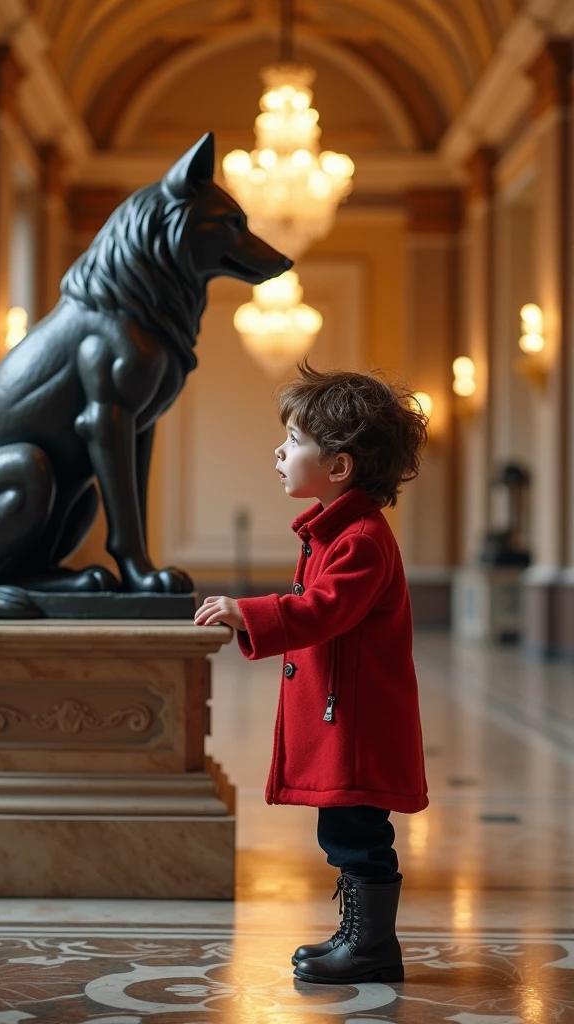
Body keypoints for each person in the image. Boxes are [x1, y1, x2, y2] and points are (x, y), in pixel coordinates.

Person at [194, 363, 429, 985]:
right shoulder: (340, 530)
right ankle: (358, 935)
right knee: (345, 831)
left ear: (339, 466)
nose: (280, 449)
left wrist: (249, 612)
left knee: (357, 834)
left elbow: (326, 609)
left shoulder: (361, 539)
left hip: (355, 722)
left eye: (294, 440)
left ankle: (372, 947)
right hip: (343, 714)